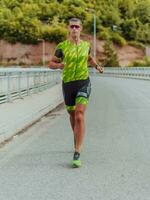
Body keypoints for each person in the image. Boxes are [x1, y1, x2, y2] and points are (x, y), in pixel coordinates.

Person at [48, 18, 104, 168]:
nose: (74, 29)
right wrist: (59, 65)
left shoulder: (86, 45)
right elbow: (50, 64)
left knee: (79, 114)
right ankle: (76, 136)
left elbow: (89, 58)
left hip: (83, 82)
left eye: (77, 26)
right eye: (72, 26)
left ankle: (77, 151)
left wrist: (97, 66)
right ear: (68, 28)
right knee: (72, 114)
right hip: (68, 84)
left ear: (81, 29)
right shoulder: (62, 47)